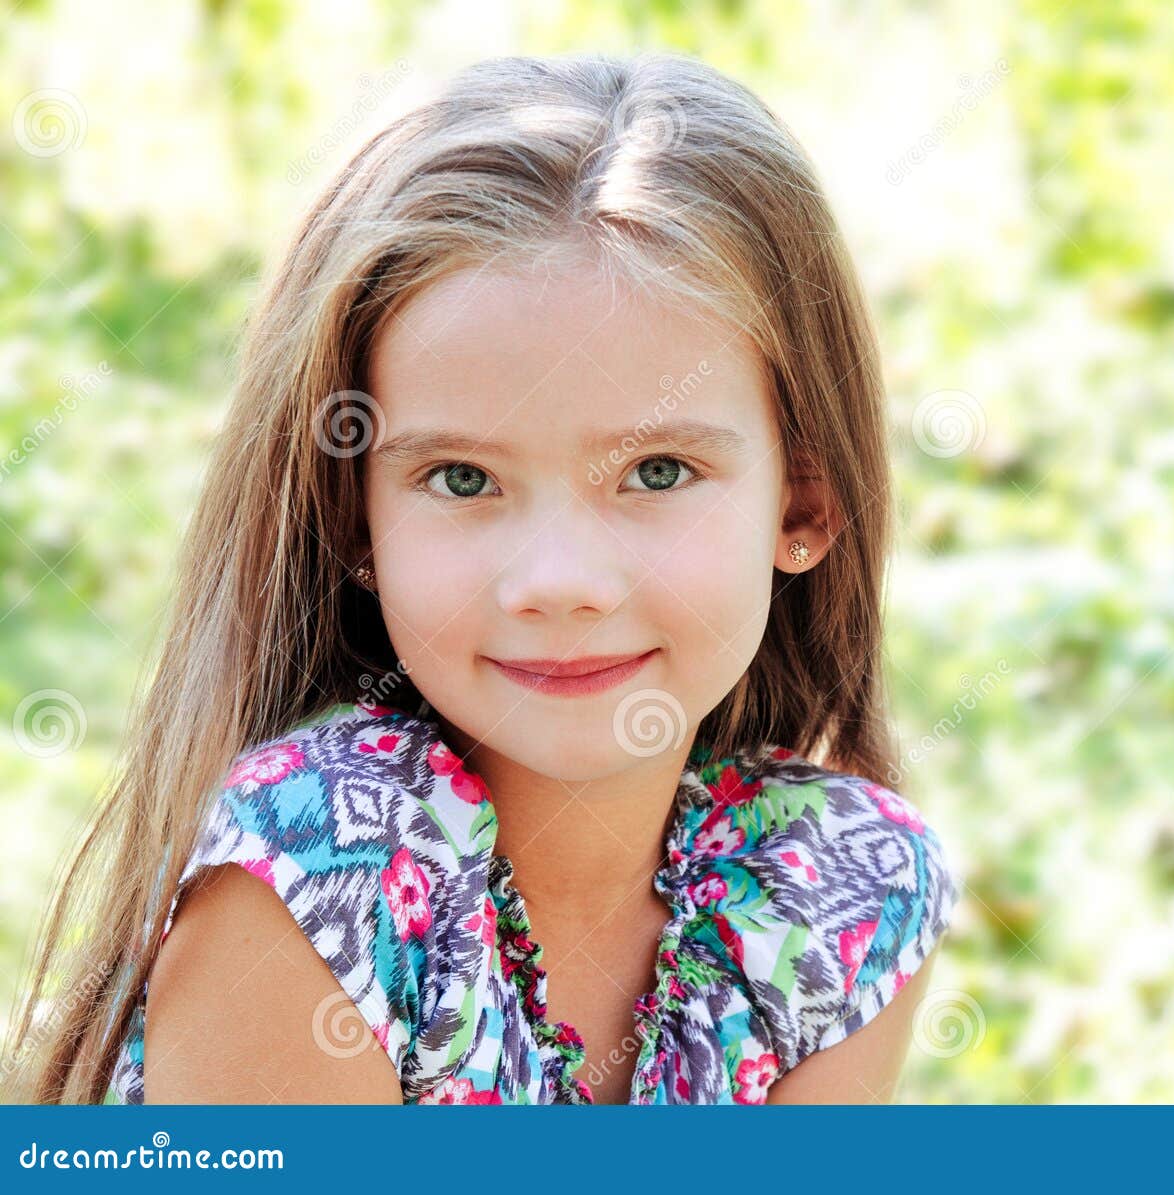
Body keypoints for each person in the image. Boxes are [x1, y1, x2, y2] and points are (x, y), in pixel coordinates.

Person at [4, 50, 957, 1105]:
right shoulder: (326, 870)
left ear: (804, 503)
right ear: (352, 515)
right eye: (462, 478)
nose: (558, 581)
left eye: (656, 471)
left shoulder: (838, 891)